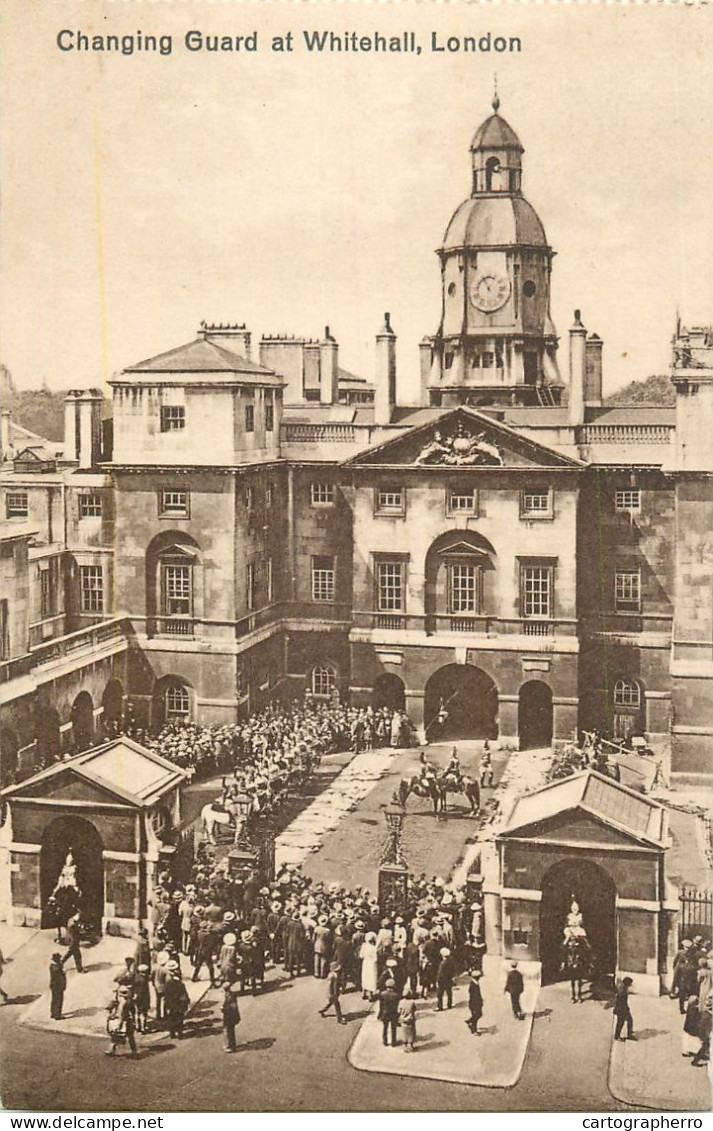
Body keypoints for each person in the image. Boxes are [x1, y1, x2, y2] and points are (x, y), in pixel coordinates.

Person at [106, 987, 138, 1057]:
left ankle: (111, 1049)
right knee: (129, 1036)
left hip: (121, 1020)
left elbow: (110, 1009)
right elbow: (132, 1011)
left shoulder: (119, 1000)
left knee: (117, 1035)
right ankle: (134, 1051)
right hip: (125, 1020)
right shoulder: (127, 1001)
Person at [163, 965, 190, 1039]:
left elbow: (165, 994)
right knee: (179, 1019)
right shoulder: (181, 985)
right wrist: (187, 1002)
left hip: (171, 1005)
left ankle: (172, 1033)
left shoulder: (167, 984)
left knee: (171, 1019)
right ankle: (180, 1034)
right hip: (179, 1005)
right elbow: (184, 995)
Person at [379, 978, 400, 1047]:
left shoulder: (382, 994)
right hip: (393, 1013)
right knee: (393, 1028)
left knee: (385, 1028)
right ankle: (393, 1042)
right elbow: (397, 1006)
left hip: (385, 1013)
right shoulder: (396, 995)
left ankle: (385, 1041)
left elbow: (381, 1006)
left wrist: (380, 1014)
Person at [613, 976, 635, 1041]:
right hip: (622, 1010)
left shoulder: (623, 989)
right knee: (626, 1021)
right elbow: (621, 1002)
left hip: (621, 1009)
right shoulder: (623, 992)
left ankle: (618, 1035)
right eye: (630, 984)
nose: (631, 985)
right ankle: (626, 1035)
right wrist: (626, 1010)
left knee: (622, 1022)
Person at [222, 981, 241, 1053]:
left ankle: (232, 1047)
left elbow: (232, 1007)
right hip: (229, 1016)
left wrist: (223, 1009)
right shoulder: (230, 994)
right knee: (229, 1031)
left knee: (230, 1032)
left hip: (230, 1016)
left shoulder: (230, 996)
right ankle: (229, 1045)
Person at [359, 932, 378, 1001]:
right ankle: (370, 995)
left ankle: (363, 993)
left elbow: (361, 956)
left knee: (365, 977)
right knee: (371, 979)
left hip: (365, 963)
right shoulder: (373, 948)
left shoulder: (364, 946)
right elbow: (376, 959)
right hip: (372, 964)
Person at [436, 947, 455, 1011]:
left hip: (442, 980)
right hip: (449, 979)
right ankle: (449, 1004)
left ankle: (440, 1006)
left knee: (440, 994)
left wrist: (437, 980)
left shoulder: (442, 963)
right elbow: (453, 970)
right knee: (449, 992)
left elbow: (440, 973)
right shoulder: (451, 961)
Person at [49, 953, 66, 1020]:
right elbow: (60, 975)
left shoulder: (53, 966)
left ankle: (53, 1013)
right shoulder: (56, 967)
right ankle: (57, 1015)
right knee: (58, 1000)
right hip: (58, 986)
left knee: (54, 999)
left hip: (54, 985)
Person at [467, 971, 484, 1035]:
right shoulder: (473, 985)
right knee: (477, 1015)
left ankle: (470, 1021)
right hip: (474, 1003)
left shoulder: (475, 983)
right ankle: (473, 1030)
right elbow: (474, 996)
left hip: (476, 1003)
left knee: (478, 1014)